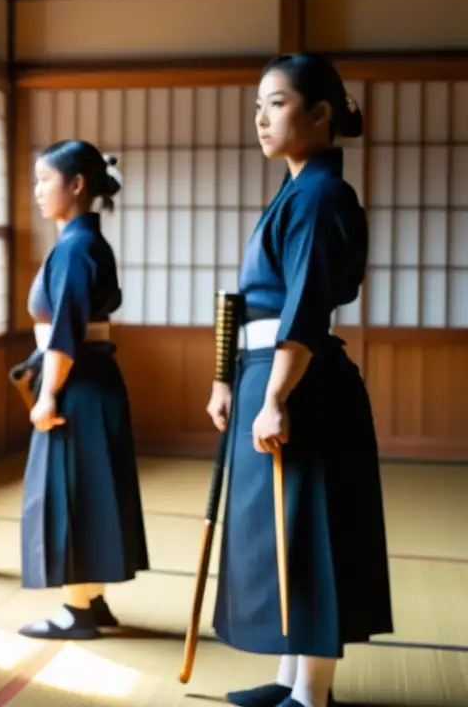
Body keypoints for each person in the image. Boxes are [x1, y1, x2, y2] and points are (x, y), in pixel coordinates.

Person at [208, 54, 393, 707]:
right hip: (271, 373)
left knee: (310, 534)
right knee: (282, 530)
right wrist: (229, 380)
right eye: (257, 105)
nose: (261, 117)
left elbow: (305, 307)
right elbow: (255, 304)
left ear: (320, 113)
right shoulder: (299, 191)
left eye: (277, 103)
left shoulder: (320, 196)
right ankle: (289, 681)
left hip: (302, 384)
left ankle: (311, 697)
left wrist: (277, 396)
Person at [18, 140, 149, 640]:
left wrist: (47, 394)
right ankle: (91, 598)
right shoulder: (82, 244)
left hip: (76, 384)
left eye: (44, 180)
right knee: (90, 488)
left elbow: (65, 333)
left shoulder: (75, 248)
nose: (36, 191)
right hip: (91, 381)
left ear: (75, 186)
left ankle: (77, 609)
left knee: (70, 492)